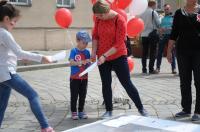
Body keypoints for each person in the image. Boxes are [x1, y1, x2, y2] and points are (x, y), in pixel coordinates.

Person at [0, 1, 54, 132]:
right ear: (7, 19)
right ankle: (45, 127)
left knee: (2, 105)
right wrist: (41, 57)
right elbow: (18, 51)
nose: (15, 24)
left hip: (2, 75)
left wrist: (20, 58)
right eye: (14, 21)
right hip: (8, 73)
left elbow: (6, 54)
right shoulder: (4, 33)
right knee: (33, 95)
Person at [92, 0, 148, 119]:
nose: (99, 18)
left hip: (118, 55)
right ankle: (108, 110)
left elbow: (119, 44)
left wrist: (104, 56)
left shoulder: (119, 20)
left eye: (101, 15)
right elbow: (95, 36)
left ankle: (141, 108)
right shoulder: (98, 19)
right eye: (97, 16)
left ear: (107, 11)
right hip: (103, 57)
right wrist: (93, 53)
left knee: (126, 83)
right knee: (106, 84)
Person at [167, 0, 200, 121]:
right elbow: (174, 33)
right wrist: (169, 51)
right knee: (184, 81)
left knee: (199, 81)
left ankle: (198, 111)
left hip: (198, 52)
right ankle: (186, 109)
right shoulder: (179, 13)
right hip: (182, 51)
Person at [68, 30, 91, 120]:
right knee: (74, 95)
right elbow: (71, 62)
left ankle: (81, 111)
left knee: (83, 95)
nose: (85, 44)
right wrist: (81, 62)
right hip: (75, 78)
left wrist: (91, 63)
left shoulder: (87, 52)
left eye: (86, 43)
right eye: (83, 42)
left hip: (84, 78)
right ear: (77, 41)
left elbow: (88, 64)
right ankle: (74, 111)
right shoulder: (73, 51)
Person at [140, 0, 161, 74]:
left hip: (143, 35)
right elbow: (159, 24)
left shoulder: (142, 13)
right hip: (152, 35)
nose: (156, 6)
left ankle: (144, 69)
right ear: (153, 5)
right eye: (155, 5)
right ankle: (151, 69)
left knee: (144, 53)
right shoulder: (153, 12)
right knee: (153, 52)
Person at [156, 4, 177, 74]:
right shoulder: (161, 17)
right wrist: (160, 30)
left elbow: (175, 28)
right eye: (165, 9)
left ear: (170, 9)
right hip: (163, 36)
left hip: (171, 37)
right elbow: (158, 27)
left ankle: (173, 68)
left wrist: (167, 28)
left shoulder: (173, 17)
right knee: (159, 52)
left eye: (167, 9)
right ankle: (158, 68)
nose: (166, 10)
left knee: (172, 52)